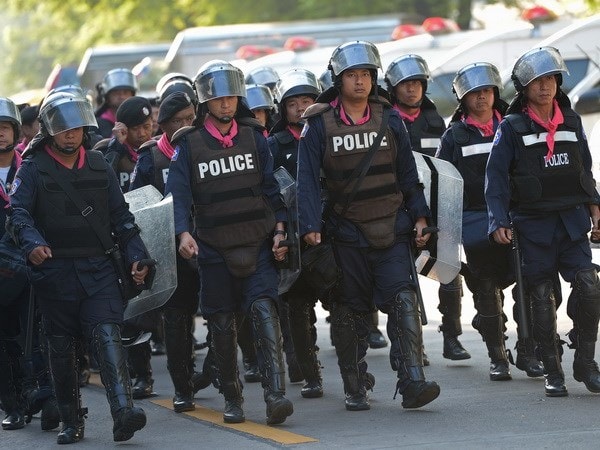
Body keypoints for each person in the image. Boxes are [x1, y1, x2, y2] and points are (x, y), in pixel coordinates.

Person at [297, 41, 440, 411]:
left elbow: (409, 174)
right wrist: (310, 227)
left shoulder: (389, 118)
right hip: (346, 234)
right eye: (352, 75)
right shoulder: (318, 124)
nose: (360, 82)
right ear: (338, 79)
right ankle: (355, 384)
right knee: (348, 311)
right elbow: (307, 182)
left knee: (404, 298)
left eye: (366, 74)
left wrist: (421, 215)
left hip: (392, 227)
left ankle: (412, 380)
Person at [6, 91, 149, 443]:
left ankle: (123, 412)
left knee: (107, 333)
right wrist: (33, 243)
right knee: (61, 348)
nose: (71, 135)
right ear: (51, 130)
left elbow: (122, 218)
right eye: (64, 129)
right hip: (55, 275)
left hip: (98, 270)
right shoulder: (33, 168)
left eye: (76, 128)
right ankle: (72, 420)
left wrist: (137, 255)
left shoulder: (99, 165)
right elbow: (18, 214)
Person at [165, 60, 294, 425]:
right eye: (219, 98)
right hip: (214, 249)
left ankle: (275, 396)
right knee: (221, 325)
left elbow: (273, 189)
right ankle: (233, 398)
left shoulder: (256, 137)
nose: (226, 104)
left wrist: (281, 228)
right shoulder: (188, 144)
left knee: (265, 313)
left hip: (258, 243)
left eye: (232, 97)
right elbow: (177, 195)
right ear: (206, 100)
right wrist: (182, 233)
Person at [486, 46, 600, 397]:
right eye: (538, 80)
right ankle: (553, 369)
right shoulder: (512, 126)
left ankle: (586, 362)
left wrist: (595, 207)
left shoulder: (571, 121)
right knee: (540, 297)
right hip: (532, 225)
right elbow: (497, 178)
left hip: (571, 221)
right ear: (524, 87)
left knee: (589, 285)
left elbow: (585, 169)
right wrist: (498, 220)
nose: (546, 86)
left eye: (551, 78)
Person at [129, 91, 213, 412]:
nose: (186, 125)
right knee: (177, 321)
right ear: (163, 125)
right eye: (179, 121)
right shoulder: (151, 157)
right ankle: (183, 387)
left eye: (191, 119)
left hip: (209, 243)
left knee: (222, 310)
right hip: (171, 253)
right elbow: (138, 206)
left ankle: (212, 369)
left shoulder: (206, 146)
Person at [385, 53, 468, 363]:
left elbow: (445, 167)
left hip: (434, 209)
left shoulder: (434, 120)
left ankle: (451, 338)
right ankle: (412, 345)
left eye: (418, 83)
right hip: (398, 209)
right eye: (406, 84)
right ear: (393, 88)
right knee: (405, 280)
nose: (412, 89)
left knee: (449, 272)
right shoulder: (386, 120)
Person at [435, 62, 516, 380]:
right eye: (474, 93)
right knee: (486, 284)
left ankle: (532, 346)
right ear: (462, 99)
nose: (481, 98)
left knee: (534, 282)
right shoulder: (454, 136)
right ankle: (498, 356)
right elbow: (443, 181)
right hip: (473, 219)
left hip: (516, 215)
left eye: (486, 91)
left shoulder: (512, 125)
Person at [268, 68, 323, 397]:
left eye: (308, 100)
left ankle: (356, 373)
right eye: (294, 103)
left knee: (347, 302)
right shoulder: (274, 144)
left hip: (329, 230)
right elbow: (270, 192)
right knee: (298, 306)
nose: (302, 108)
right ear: (283, 108)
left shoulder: (329, 132)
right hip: (292, 233)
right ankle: (308, 371)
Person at [99, 96, 154, 192]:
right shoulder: (106, 149)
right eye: (135, 128)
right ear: (123, 129)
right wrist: (116, 145)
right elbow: (103, 182)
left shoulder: (158, 148)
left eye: (146, 127)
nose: (142, 134)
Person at [94, 68, 138, 138]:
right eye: (116, 93)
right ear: (107, 97)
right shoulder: (98, 124)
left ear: (132, 95)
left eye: (125, 92)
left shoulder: (140, 118)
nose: (121, 96)